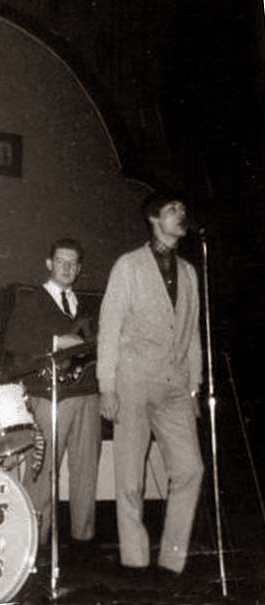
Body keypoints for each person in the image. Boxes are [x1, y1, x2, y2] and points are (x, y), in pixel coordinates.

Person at [97, 192, 204, 576]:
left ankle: (172, 560)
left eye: (182, 208)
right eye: (175, 209)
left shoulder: (190, 272)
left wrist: (194, 387)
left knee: (190, 469)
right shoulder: (129, 266)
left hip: (176, 385)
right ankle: (135, 560)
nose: (182, 214)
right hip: (133, 381)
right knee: (129, 477)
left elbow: (192, 335)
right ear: (154, 218)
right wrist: (106, 385)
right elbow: (109, 328)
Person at [3, 238, 101, 547]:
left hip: (87, 393)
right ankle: (33, 543)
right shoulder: (32, 298)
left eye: (73, 263)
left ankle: (83, 541)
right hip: (49, 395)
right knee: (42, 472)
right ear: (49, 263)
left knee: (86, 472)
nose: (67, 267)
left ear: (80, 268)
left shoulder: (84, 305)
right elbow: (14, 341)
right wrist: (57, 342)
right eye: (61, 261)